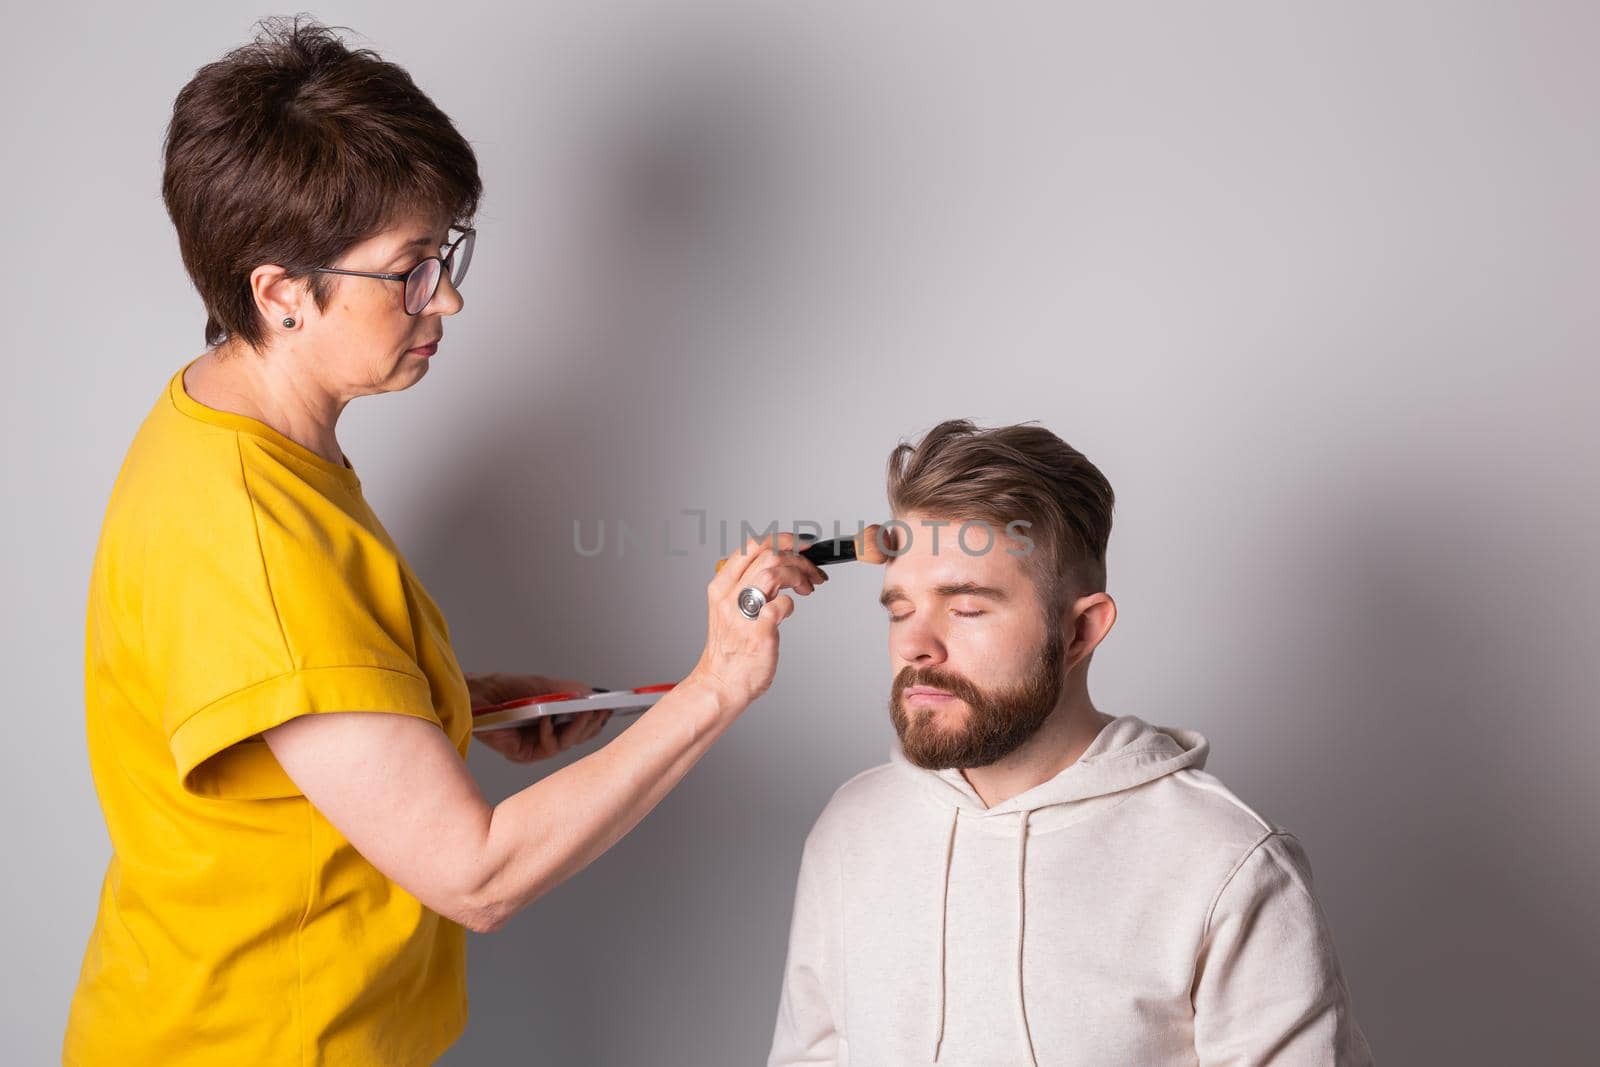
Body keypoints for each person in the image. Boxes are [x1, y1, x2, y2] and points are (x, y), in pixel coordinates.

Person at [63, 18, 829, 1065]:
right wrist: (717, 686)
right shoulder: (249, 529)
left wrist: (434, 700)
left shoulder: (231, 438)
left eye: (446, 252)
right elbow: (479, 873)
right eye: (410, 269)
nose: (448, 297)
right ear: (281, 292)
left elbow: (279, 684)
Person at [768, 420, 1373, 1065]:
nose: (914, 644)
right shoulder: (852, 828)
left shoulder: (1227, 861)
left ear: (1081, 630)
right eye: (899, 609)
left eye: (966, 608)